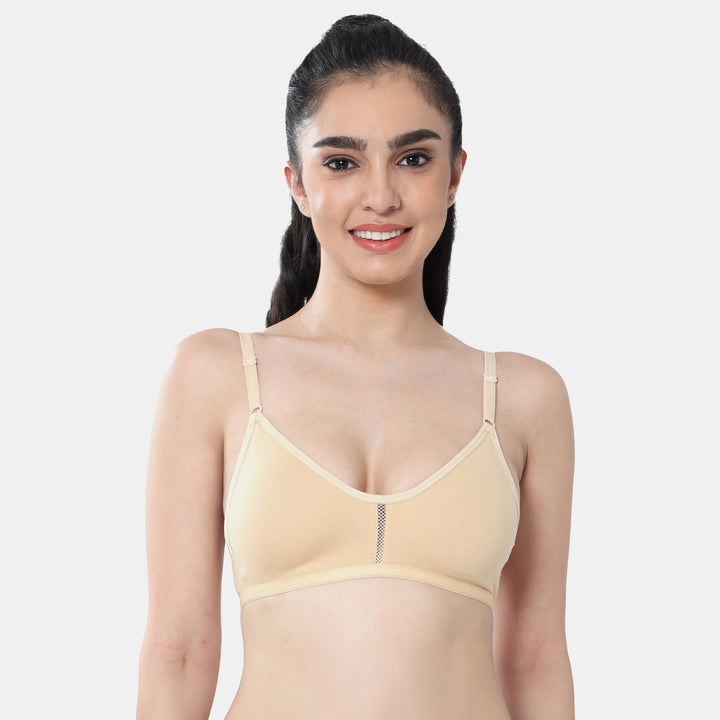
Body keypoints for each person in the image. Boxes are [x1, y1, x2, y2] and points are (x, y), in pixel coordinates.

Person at [136, 14, 575, 720]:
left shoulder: (524, 398)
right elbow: (178, 648)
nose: (381, 196)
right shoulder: (217, 376)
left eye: (414, 158)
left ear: (455, 175)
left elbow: (535, 654)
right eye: (341, 162)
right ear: (298, 185)